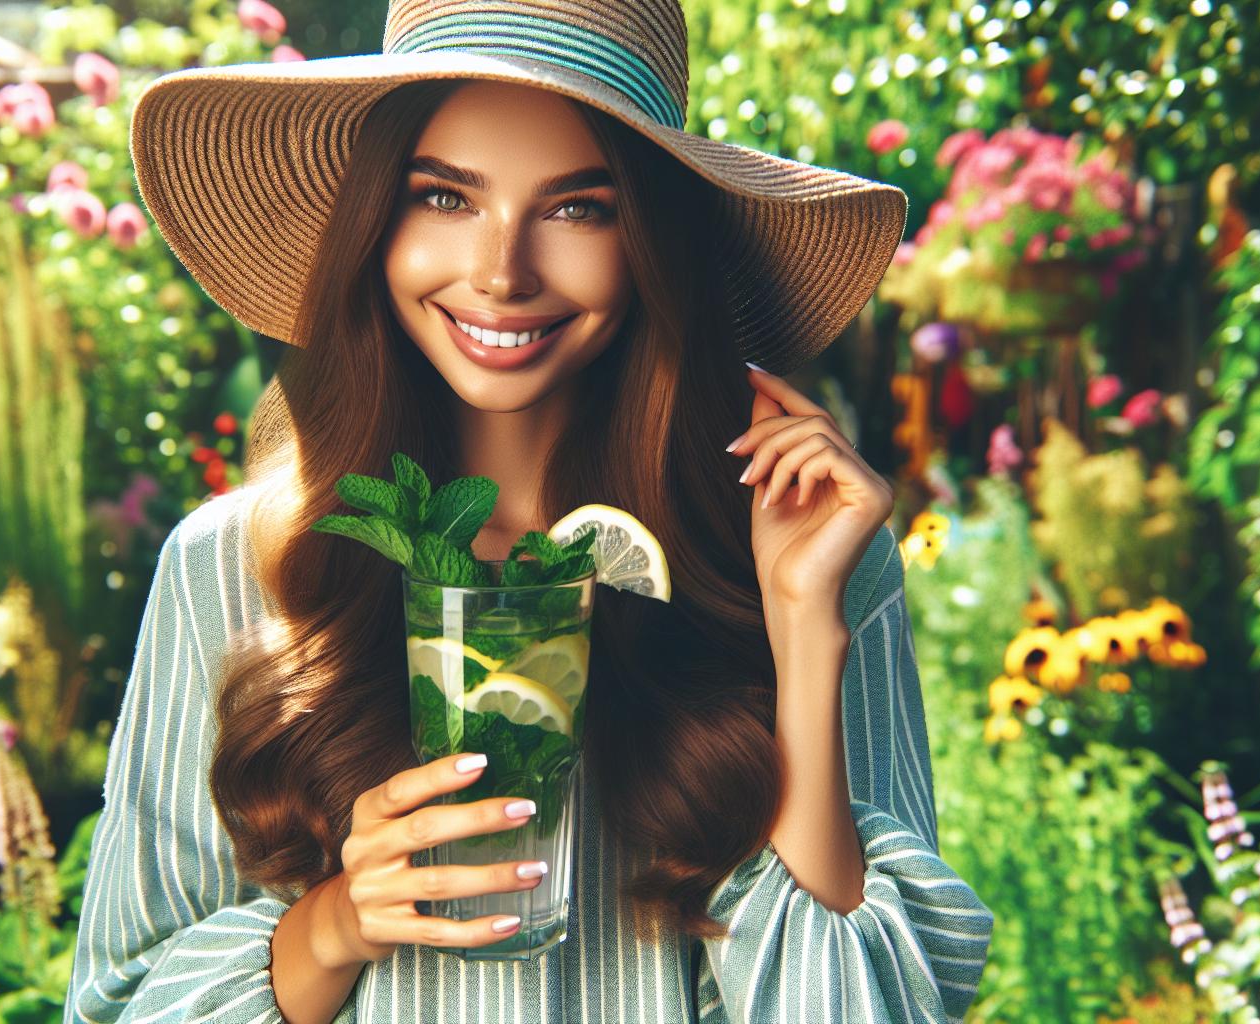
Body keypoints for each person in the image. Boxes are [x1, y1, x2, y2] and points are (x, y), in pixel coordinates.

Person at [65, 2, 993, 1022]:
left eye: (578, 208)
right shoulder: (234, 566)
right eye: (444, 197)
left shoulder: (809, 560)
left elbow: (870, 1008)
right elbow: (118, 999)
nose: (500, 273)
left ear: (649, 245)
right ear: (376, 221)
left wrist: (802, 634)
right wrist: (336, 921)